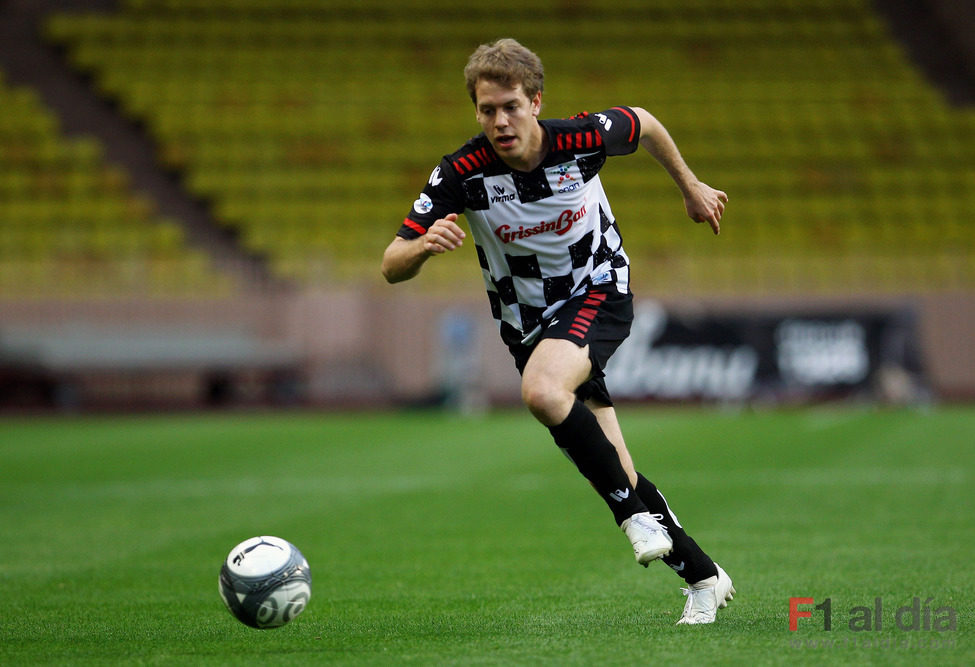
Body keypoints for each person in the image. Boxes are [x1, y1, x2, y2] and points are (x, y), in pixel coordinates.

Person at [381, 38, 734, 625]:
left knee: (543, 393)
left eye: (511, 106)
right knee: (614, 462)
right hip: (528, 324)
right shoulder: (461, 173)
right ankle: (704, 578)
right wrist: (422, 246)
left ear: (536, 102)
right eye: (487, 109)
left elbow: (644, 123)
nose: (500, 121)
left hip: (598, 288)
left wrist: (690, 187)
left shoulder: (579, 139)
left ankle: (631, 518)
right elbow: (390, 264)